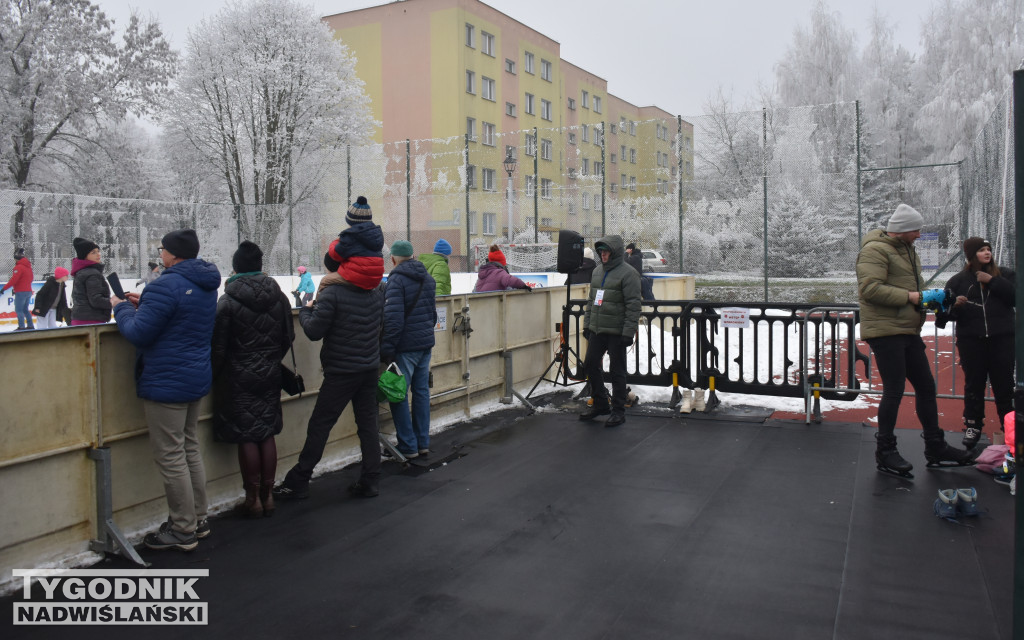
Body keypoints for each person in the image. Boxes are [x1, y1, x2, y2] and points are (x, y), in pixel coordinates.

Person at [110, 229, 222, 551]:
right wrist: (145, 302)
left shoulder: (165, 285)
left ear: (172, 254)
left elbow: (139, 333)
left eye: (162, 250)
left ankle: (183, 529)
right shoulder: (204, 285)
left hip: (165, 382)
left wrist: (120, 306)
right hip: (195, 378)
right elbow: (177, 318)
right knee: (188, 448)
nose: (161, 254)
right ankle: (198, 519)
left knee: (171, 456)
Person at [276, 199, 386, 500]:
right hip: (367, 366)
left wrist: (307, 308)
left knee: (320, 424)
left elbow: (312, 331)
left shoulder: (333, 292)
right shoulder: (376, 290)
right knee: (367, 424)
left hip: (341, 371)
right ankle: (371, 480)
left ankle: (299, 480)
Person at [856, 204, 974, 477]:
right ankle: (885, 451)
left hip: (907, 329)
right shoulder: (875, 250)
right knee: (894, 389)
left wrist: (937, 299)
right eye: (917, 229)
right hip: (885, 332)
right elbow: (870, 289)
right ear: (903, 230)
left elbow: (917, 289)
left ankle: (935, 446)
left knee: (925, 386)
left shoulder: (907, 251)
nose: (920, 235)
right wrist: (912, 297)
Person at [212, 241, 294, 518]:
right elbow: (288, 336)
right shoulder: (279, 297)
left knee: (247, 434)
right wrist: (270, 359)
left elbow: (219, 348)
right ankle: (268, 495)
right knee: (266, 431)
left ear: (235, 268)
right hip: (270, 372)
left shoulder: (227, 302)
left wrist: (217, 372)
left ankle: (252, 498)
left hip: (238, 376)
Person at [937, 237, 1016, 450]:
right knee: (974, 385)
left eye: (988, 249)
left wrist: (992, 281)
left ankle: (1010, 427)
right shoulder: (958, 281)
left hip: (1002, 341)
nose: (987, 253)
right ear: (971, 255)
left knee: (1005, 387)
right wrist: (954, 306)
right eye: (981, 250)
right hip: (972, 342)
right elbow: (942, 317)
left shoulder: (1006, 275)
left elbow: (1016, 297)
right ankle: (972, 425)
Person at [381, 240, 437, 458]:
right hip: (425, 344)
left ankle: (407, 445)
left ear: (393, 259)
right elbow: (432, 315)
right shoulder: (428, 278)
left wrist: (387, 348)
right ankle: (422, 442)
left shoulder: (396, 281)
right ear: (413, 256)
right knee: (421, 392)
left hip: (405, 347)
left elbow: (393, 320)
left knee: (398, 394)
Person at [579, 235, 642, 427]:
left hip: (617, 330)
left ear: (614, 253)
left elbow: (633, 304)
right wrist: (587, 325)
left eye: (606, 251)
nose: (603, 254)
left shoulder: (628, 273)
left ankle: (618, 410)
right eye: (601, 252)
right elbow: (592, 301)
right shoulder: (597, 272)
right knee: (590, 364)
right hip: (598, 329)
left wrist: (628, 332)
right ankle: (600, 404)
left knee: (617, 371)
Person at [70, 237, 112, 326]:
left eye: (98, 251)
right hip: (91, 321)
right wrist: (113, 302)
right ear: (85, 256)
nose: (98, 254)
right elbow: (96, 300)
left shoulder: (81, 272)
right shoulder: (92, 274)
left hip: (79, 319)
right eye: (93, 253)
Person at [2, 247, 34, 330]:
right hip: (28, 291)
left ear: (16, 259)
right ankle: (30, 325)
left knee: (19, 310)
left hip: (21, 292)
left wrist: (4, 288)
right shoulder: (28, 267)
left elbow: (14, 280)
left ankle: (21, 326)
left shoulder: (18, 267)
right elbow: (31, 278)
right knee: (25, 310)